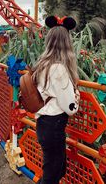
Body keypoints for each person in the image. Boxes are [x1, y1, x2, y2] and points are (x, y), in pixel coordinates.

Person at [32, 16, 80, 184]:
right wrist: (77, 97)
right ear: (66, 43)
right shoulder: (59, 69)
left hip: (44, 124)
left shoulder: (42, 64)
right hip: (54, 126)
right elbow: (71, 108)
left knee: (56, 169)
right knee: (53, 173)